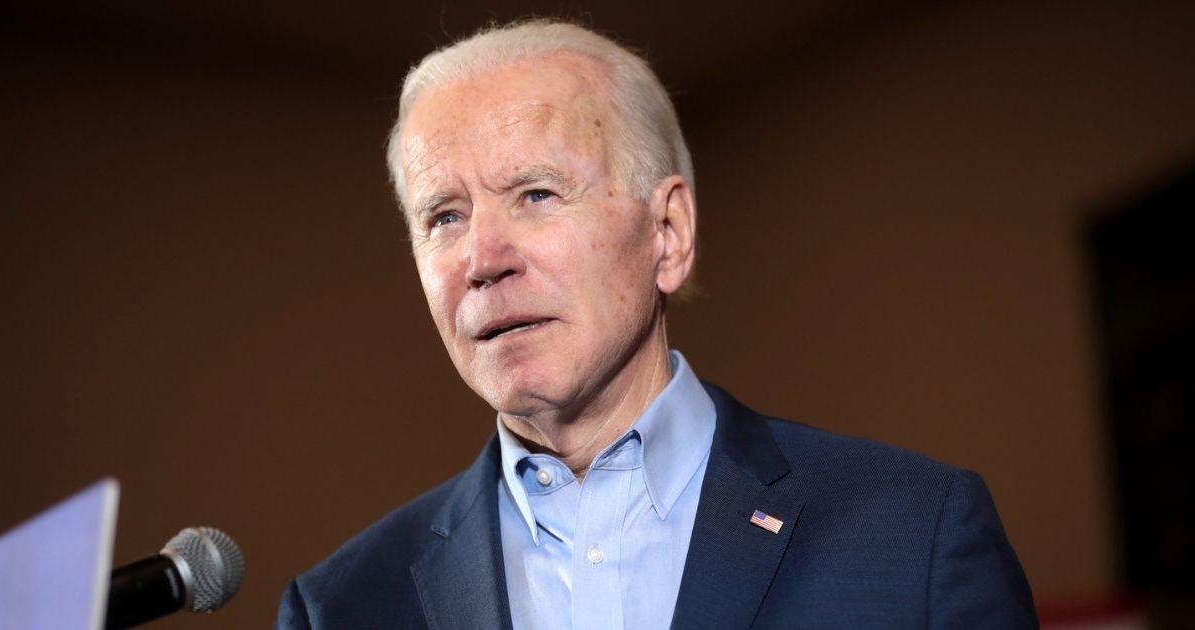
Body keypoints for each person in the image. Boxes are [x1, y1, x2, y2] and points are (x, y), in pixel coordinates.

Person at [276, 19, 1036, 629]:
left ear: (667, 233)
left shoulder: (915, 536)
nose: (482, 257)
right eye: (443, 215)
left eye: (536, 194)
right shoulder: (340, 608)